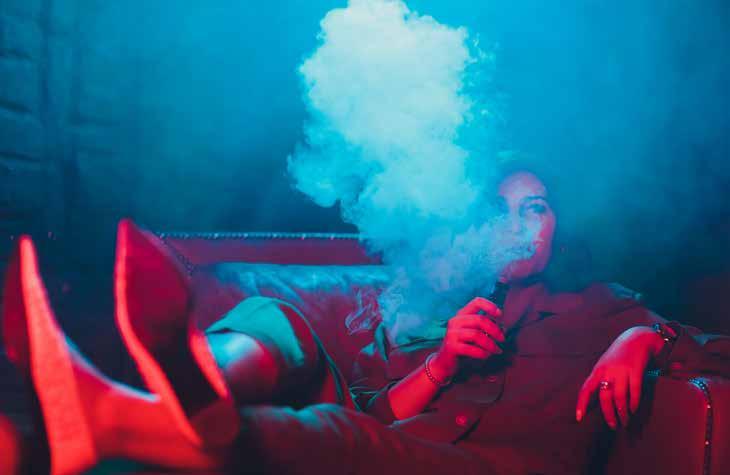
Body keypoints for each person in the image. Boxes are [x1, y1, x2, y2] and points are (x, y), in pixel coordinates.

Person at [1, 168, 728, 475]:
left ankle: (121, 407)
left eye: (533, 209)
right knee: (284, 325)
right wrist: (442, 363)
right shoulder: (447, 314)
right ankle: (185, 388)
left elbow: (712, 347)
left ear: (556, 226)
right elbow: (379, 410)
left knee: (345, 435)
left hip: (502, 467)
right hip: (400, 439)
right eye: (498, 212)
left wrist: (640, 338)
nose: (515, 226)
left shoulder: (600, 304)